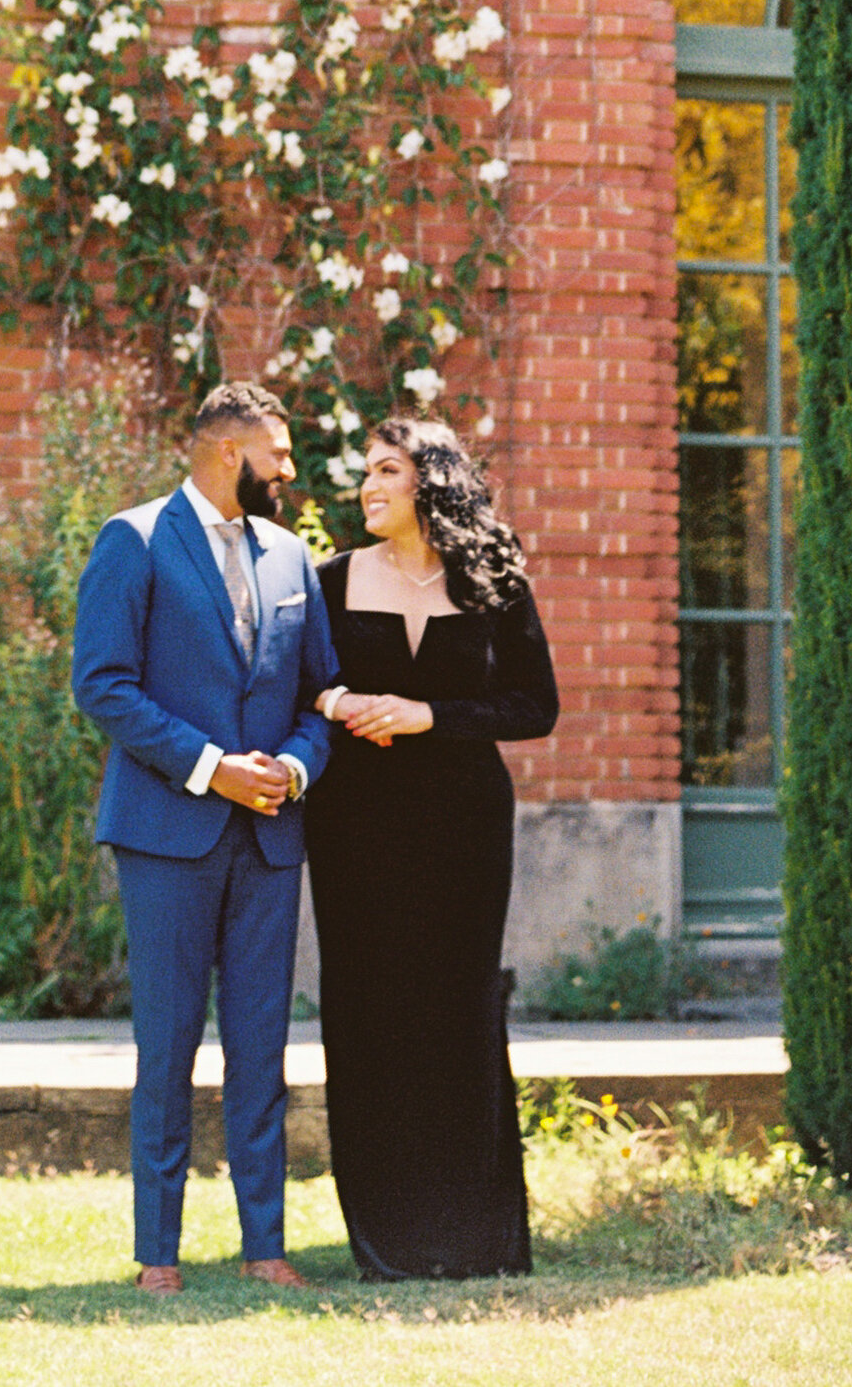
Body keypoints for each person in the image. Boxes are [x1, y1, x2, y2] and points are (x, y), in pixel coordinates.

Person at [71, 378, 342, 1296]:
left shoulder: (291, 554)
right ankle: (159, 1255)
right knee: (169, 1044)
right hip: (166, 836)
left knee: (261, 1045)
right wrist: (210, 765)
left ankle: (264, 1247)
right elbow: (103, 685)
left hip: (270, 838)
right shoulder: (134, 540)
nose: (292, 473)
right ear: (233, 453)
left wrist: (295, 768)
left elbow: (321, 697)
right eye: (282, 455)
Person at [303, 415, 559, 1279]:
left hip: (464, 827)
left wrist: (429, 716)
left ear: (431, 480)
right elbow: (296, 685)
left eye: (386, 470)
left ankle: (474, 1232)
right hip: (357, 826)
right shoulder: (329, 580)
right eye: (365, 473)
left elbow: (536, 706)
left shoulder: (493, 580)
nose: (368, 486)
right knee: (370, 1011)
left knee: (459, 1009)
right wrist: (344, 706)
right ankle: (389, 1237)